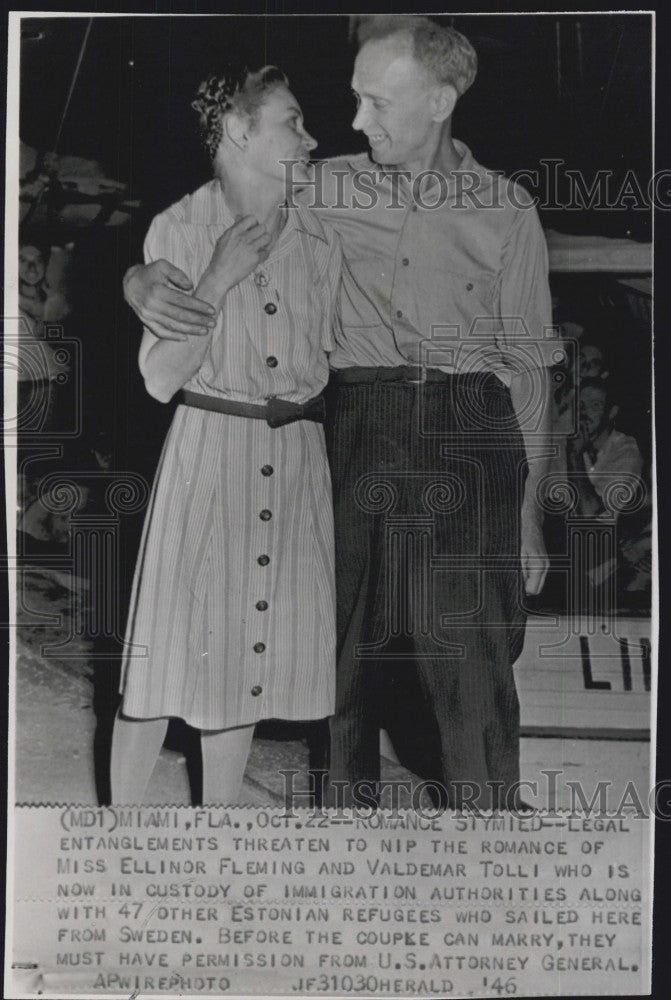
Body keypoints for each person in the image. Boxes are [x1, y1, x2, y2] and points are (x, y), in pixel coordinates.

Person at [123, 17, 559, 810]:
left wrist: (530, 513)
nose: (354, 122)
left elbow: (528, 370)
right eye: (353, 100)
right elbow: (216, 203)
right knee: (340, 653)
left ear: (439, 98)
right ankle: (341, 829)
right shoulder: (317, 184)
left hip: (470, 427)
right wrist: (138, 275)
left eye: (375, 102)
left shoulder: (505, 209)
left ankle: (491, 836)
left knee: (470, 652)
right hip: (356, 419)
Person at [110, 64, 342, 805]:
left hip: (296, 454)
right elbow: (157, 378)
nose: (310, 138)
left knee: (246, 657)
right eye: (292, 121)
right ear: (240, 131)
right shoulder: (181, 227)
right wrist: (215, 277)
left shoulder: (321, 230)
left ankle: (216, 832)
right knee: (165, 661)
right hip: (209, 449)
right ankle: (119, 832)